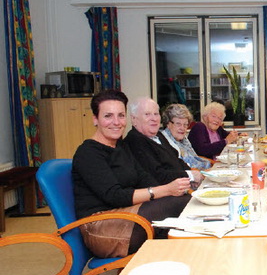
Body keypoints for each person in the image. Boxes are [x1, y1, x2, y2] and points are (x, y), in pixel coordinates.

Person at [72, 90, 191, 258]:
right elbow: (115, 196)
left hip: (127, 213)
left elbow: (143, 177)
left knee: (179, 206)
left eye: (121, 115)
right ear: (95, 119)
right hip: (102, 227)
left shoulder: (120, 146)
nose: (116, 122)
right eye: (108, 116)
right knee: (184, 204)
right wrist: (166, 191)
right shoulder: (88, 153)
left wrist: (169, 191)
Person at [125, 97, 203, 187]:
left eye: (156, 114)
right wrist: (190, 176)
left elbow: (176, 158)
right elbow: (157, 175)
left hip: (183, 185)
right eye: (147, 114)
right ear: (134, 119)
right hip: (166, 194)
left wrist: (191, 173)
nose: (154, 118)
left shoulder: (158, 135)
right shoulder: (135, 141)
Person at [160, 103, 212, 170]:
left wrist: (214, 163)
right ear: (168, 124)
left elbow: (194, 157)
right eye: (178, 124)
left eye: (185, 124)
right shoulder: (165, 142)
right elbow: (183, 169)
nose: (182, 128)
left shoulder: (183, 139)